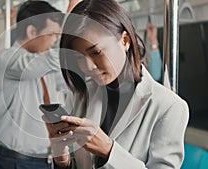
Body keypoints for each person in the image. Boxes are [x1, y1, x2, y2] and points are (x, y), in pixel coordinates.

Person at [43, 0, 189, 168]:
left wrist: (109, 151)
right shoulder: (80, 96)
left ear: (125, 40)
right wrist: (62, 159)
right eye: (78, 57)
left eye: (96, 52)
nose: (88, 66)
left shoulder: (169, 107)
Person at [0, 1, 64, 169]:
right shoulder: (8, 59)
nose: (55, 40)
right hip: (18, 162)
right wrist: (72, 35)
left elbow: (66, 83)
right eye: (53, 34)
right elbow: (52, 59)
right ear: (32, 31)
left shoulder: (43, 65)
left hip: (46, 160)